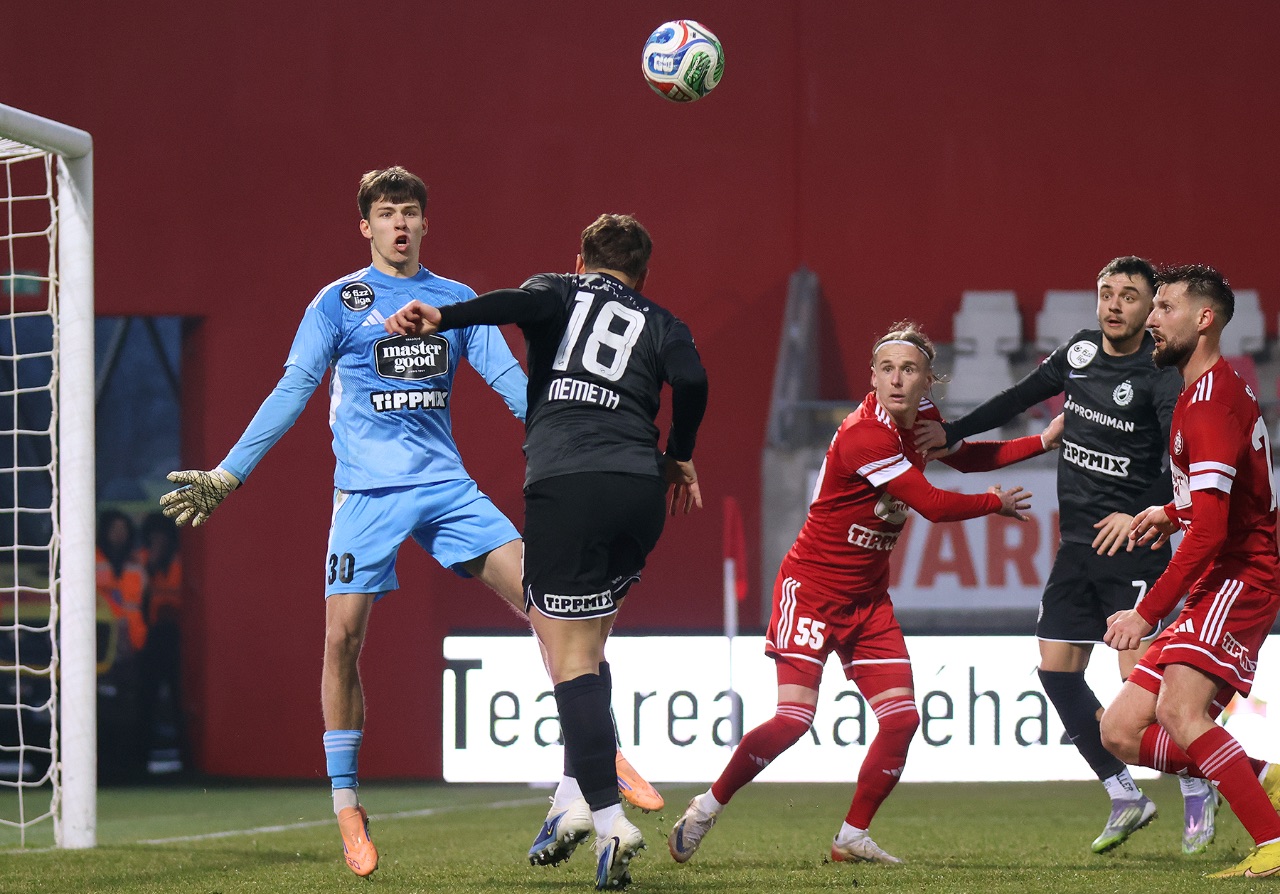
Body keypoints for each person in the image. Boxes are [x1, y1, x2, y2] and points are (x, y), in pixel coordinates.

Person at [158, 170, 660, 879]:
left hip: (445, 486)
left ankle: (596, 753)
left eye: (411, 213)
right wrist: (228, 474)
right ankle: (347, 804)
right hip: (366, 493)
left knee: (552, 602)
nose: (400, 223)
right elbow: (294, 387)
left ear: (426, 224)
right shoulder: (337, 302)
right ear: (365, 227)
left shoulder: (453, 301)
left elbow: (513, 385)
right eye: (388, 213)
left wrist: (587, 443)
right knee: (342, 638)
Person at [384, 213, 707, 891]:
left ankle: (609, 820)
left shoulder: (559, 289)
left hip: (569, 485)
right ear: (643, 275)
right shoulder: (662, 320)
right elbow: (693, 380)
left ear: (581, 260)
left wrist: (442, 316)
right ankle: (571, 798)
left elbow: (514, 304)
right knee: (590, 641)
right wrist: (679, 454)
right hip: (640, 493)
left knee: (569, 658)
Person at [666, 321, 1059, 866]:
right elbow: (932, 505)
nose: (897, 380)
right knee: (793, 720)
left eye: (909, 370)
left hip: (868, 602)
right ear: (872, 377)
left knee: (902, 720)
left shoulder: (922, 419)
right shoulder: (864, 435)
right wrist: (994, 503)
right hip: (812, 591)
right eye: (886, 369)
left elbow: (964, 456)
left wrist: (1042, 441)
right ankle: (706, 808)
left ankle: (851, 836)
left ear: (928, 381)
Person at [913, 257, 1217, 855]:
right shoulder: (1078, 352)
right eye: (1106, 293)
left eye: (1129, 296)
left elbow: (1179, 464)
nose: (1114, 305)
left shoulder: (1160, 375)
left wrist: (1145, 513)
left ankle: (1197, 781)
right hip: (1076, 546)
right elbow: (1018, 397)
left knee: (1146, 697)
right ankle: (1124, 794)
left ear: (1150, 308)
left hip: (1132, 548)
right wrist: (954, 432)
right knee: (1056, 672)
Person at [1099, 264, 1280, 879]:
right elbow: (1215, 504)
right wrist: (1169, 511)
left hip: (1242, 578)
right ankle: (1262, 777)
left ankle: (1272, 842)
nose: (1151, 319)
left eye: (1165, 308)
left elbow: (1211, 532)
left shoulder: (1208, 405)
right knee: (1121, 731)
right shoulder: (1207, 391)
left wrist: (1145, 613)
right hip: (1221, 575)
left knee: (1180, 713)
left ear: (1204, 320)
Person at [138, 512, 186, 772]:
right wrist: (151, 564)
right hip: (150, 637)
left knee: (181, 699)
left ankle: (187, 758)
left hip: (178, 636)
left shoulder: (182, 562)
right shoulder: (141, 562)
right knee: (147, 699)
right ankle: (140, 758)